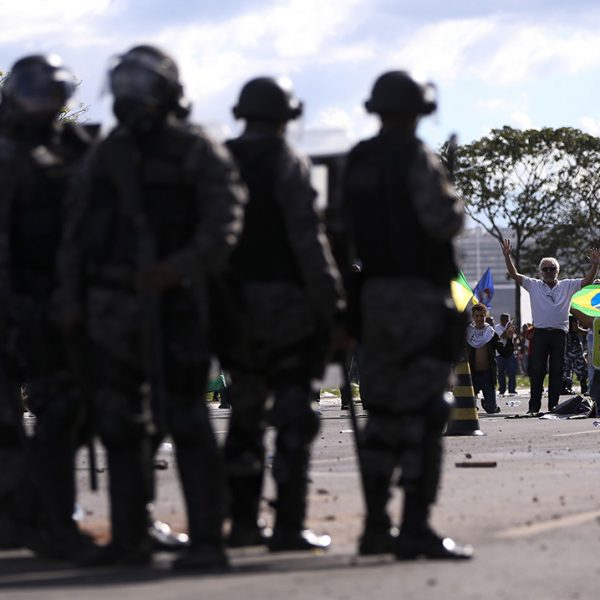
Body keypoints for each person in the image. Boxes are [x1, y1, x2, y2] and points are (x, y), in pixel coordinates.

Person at [55, 45, 247, 569]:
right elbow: (74, 235)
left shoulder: (195, 149)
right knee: (120, 426)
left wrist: (178, 267)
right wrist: (71, 301)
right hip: (113, 311)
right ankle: (130, 537)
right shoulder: (106, 153)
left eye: (140, 85)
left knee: (186, 418)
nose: (128, 96)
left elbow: (224, 222)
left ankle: (208, 539)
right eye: (123, 84)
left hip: (177, 306)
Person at [343, 70, 472, 560]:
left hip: (373, 298)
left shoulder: (358, 160)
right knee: (424, 412)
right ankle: (414, 526)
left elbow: (341, 228)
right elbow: (443, 220)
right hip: (417, 298)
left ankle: (376, 524)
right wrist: (452, 191)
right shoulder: (417, 158)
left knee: (382, 414)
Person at [222, 76, 344, 551]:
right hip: (287, 310)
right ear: (285, 117)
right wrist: (332, 301)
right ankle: (288, 525)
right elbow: (306, 238)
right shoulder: (285, 160)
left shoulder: (223, 158)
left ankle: (243, 520)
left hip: (235, 308)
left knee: (245, 416)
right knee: (294, 415)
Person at [0, 54, 95, 558]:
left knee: (69, 415)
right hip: (22, 309)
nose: (47, 105)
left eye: (54, 95)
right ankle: (42, 524)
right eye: (37, 95)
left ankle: (39, 519)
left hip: (60, 306)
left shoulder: (73, 151)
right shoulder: (10, 157)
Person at [501, 240, 600, 413]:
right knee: (538, 371)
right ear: (540, 272)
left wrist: (595, 265)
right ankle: (534, 407)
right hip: (540, 334)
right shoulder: (534, 284)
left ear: (557, 271)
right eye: (545, 269)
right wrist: (507, 256)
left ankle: (553, 406)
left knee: (557, 372)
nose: (548, 272)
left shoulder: (567, 285)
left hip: (559, 334)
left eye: (551, 268)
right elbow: (514, 274)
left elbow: (587, 281)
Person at [466, 304, 515, 414]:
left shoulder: (491, 333)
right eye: (476, 316)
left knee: (491, 410)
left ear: (485, 316)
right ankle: (472, 402)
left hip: (487, 376)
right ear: (473, 317)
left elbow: (505, 353)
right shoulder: (467, 333)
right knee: (469, 410)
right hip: (471, 375)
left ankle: (488, 403)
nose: (479, 319)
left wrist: (509, 339)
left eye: (481, 316)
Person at [561, 315, 588, 394]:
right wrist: (588, 332)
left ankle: (565, 387)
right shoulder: (572, 316)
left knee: (567, 368)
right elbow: (575, 328)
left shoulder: (563, 315)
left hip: (567, 345)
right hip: (574, 346)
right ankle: (582, 386)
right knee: (580, 367)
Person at [495, 313, 518, 396]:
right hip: (500, 353)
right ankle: (502, 389)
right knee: (501, 373)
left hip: (510, 353)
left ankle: (512, 389)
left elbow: (512, 339)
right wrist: (507, 329)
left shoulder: (510, 328)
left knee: (512, 372)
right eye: (506, 319)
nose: (507, 321)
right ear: (502, 319)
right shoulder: (497, 328)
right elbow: (503, 336)